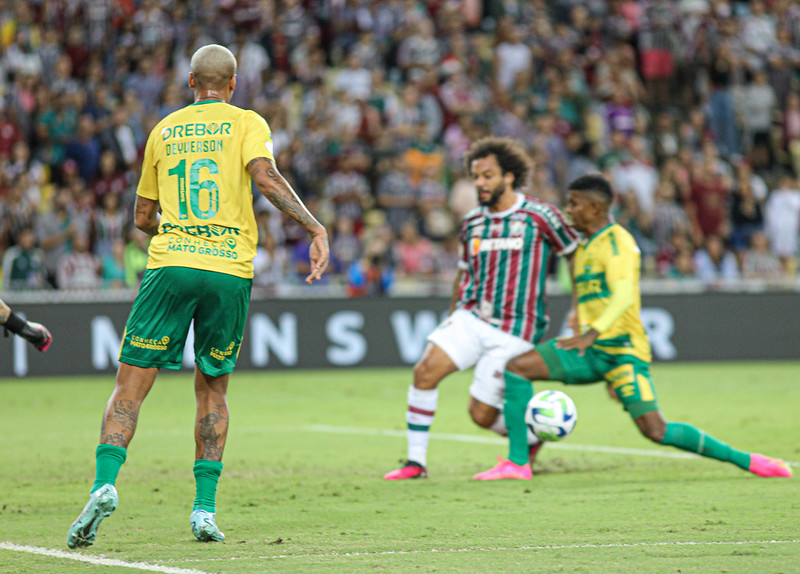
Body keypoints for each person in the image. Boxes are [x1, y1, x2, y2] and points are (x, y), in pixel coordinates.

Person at [66, 44, 330, 548]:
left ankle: (104, 484)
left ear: (190, 83)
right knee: (212, 389)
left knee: (130, 386)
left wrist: (180, 233)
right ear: (233, 84)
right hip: (229, 270)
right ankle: (204, 511)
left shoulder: (163, 130)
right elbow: (267, 178)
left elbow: (142, 218)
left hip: (171, 265)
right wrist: (314, 228)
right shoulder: (247, 122)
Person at [496, 174, 791, 480]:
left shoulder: (618, 242)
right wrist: (579, 320)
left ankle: (748, 460)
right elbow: (593, 296)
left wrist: (591, 332)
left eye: (575, 203)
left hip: (623, 352)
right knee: (518, 368)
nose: (569, 210)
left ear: (596, 208)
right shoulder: (585, 247)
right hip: (591, 350)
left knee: (656, 430)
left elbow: (624, 295)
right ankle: (518, 462)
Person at [384, 137, 579, 481]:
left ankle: (529, 437)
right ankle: (416, 463)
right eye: (476, 176)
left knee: (481, 415)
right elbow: (463, 273)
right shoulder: (473, 221)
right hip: (472, 316)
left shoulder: (540, 215)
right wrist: (453, 313)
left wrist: (579, 309)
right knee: (424, 371)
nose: (480, 183)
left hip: (516, 329)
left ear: (508, 176)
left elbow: (576, 256)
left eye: (488, 176)